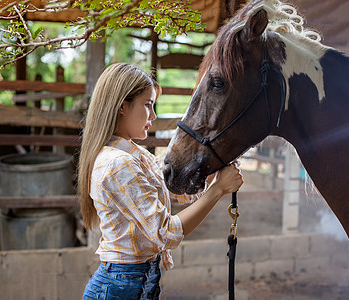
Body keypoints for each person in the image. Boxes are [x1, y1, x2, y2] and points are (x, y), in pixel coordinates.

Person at [78, 63, 244, 299]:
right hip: (120, 287)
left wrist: (216, 166)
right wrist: (218, 189)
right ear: (122, 106)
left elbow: (178, 190)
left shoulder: (138, 156)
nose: (153, 115)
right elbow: (165, 232)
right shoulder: (117, 164)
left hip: (137, 282)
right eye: (148, 105)